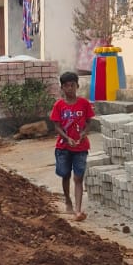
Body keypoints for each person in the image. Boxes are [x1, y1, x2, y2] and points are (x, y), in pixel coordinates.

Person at [49, 71, 94, 221]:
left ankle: (78, 210)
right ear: (62, 88)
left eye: (72, 85)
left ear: (77, 86)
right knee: (65, 174)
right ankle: (68, 200)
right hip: (63, 148)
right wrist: (67, 138)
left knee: (78, 178)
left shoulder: (84, 104)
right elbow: (57, 126)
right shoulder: (59, 105)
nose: (70, 88)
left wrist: (84, 134)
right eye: (66, 86)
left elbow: (89, 122)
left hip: (81, 147)